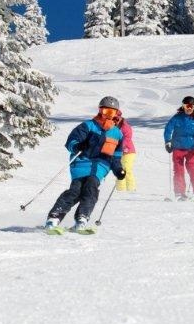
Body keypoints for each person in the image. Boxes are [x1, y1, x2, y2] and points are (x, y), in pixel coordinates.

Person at [44, 95, 125, 233]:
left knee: (91, 189)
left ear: (116, 114)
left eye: (111, 112)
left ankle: (82, 218)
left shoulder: (117, 133)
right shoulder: (88, 125)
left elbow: (116, 157)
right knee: (75, 191)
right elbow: (71, 142)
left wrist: (118, 170)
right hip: (81, 163)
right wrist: (79, 146)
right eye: (105, 111)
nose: (107, 115)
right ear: (100, 111)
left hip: (100, 166)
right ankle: (54, 217)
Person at [163, 95, 194, 200]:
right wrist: (167, 142)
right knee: (178, 170)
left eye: (192, 106)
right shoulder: (177, 118)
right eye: (187, 106)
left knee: (192, 168)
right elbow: (168, 129)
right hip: (177, 147)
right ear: (183, 106)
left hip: (191, 148)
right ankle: (179, 192)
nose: (189, 108)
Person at [115, 110, 137, 192]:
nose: (115, 120)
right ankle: (120, 189)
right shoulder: (113, 127)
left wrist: (119, 147)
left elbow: (127, 139)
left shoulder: (125, 127)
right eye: (114, 118)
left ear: (120, 117)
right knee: (119, 170)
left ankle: (131, 188)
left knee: (127, 169)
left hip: (129, 152)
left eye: (117, 118)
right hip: (118, 152)